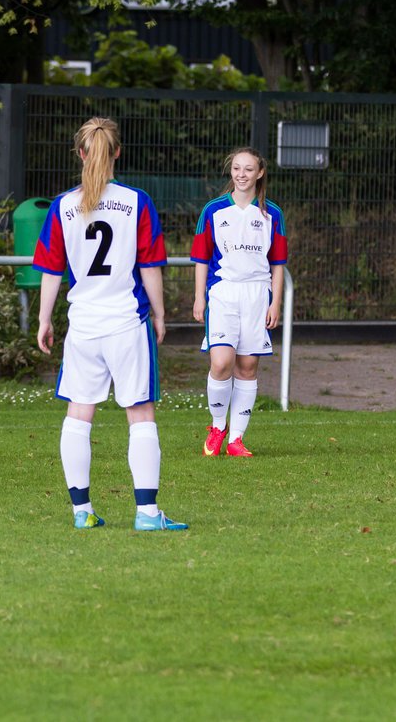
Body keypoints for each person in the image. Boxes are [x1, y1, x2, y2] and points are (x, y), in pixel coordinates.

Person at [32, 116, 187, 531]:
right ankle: (148, 514)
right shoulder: (137, 201)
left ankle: (82, 512)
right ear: (118, 151)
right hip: (125, 321)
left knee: (79, 414)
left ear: (80, 153)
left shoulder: (63, 205)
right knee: (140, 414)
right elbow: (151, 267)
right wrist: (159, 313)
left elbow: (51, 268)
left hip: (83, 324)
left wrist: (45, 318)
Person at [191, 147, 288, 457]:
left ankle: (237, 439)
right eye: (236, 168)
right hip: (223, 292)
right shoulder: (213, 210)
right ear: (230, 171)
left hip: (258, 294)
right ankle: (218, 426)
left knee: (247, 368)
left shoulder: (272, 213)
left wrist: (276, 303)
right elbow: (201, 258)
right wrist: (198, 298)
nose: (241, 174)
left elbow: (278, 263)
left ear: (259, 173)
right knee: (221, 363)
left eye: (248, 169)